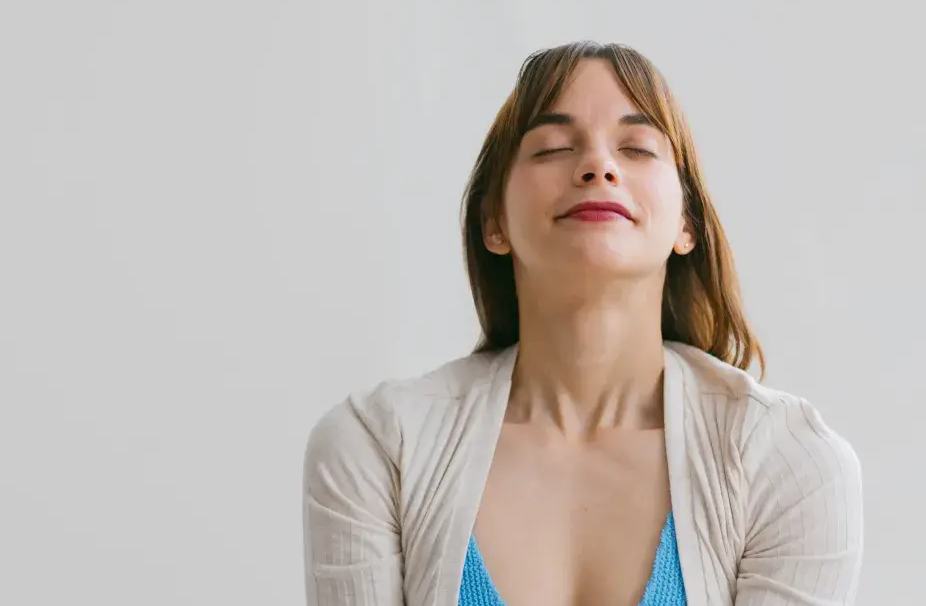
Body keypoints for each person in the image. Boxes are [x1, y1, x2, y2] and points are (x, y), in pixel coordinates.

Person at [301, 41, 863, 606]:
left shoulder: (789, 464)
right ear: (493, 221)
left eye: (637, 148)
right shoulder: (375, 447)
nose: (598, 166)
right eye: (553, 148)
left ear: (686, 223)